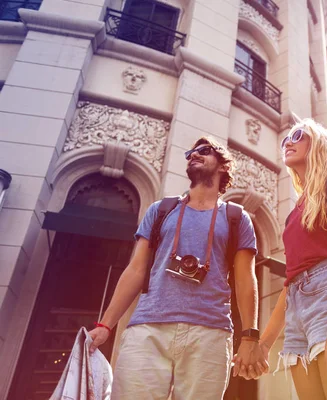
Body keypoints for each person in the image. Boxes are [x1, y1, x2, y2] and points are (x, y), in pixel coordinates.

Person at [88, 137, 268, 399]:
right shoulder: (160, 210)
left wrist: (250, 336)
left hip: (210, 333)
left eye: (204, 151)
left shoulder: (236, 217)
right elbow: (136, 270)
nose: (194, 155)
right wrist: (105, 325)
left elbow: (244, 279)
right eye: (191, 152)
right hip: (148, 328)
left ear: (223, 166)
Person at [236, 119, 327, 398]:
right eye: (285, 139)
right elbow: (291, 282)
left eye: (297, 136)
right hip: (297, 314)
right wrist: (264, 345)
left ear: (318, 144)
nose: (288, 142)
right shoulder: (294, 214)